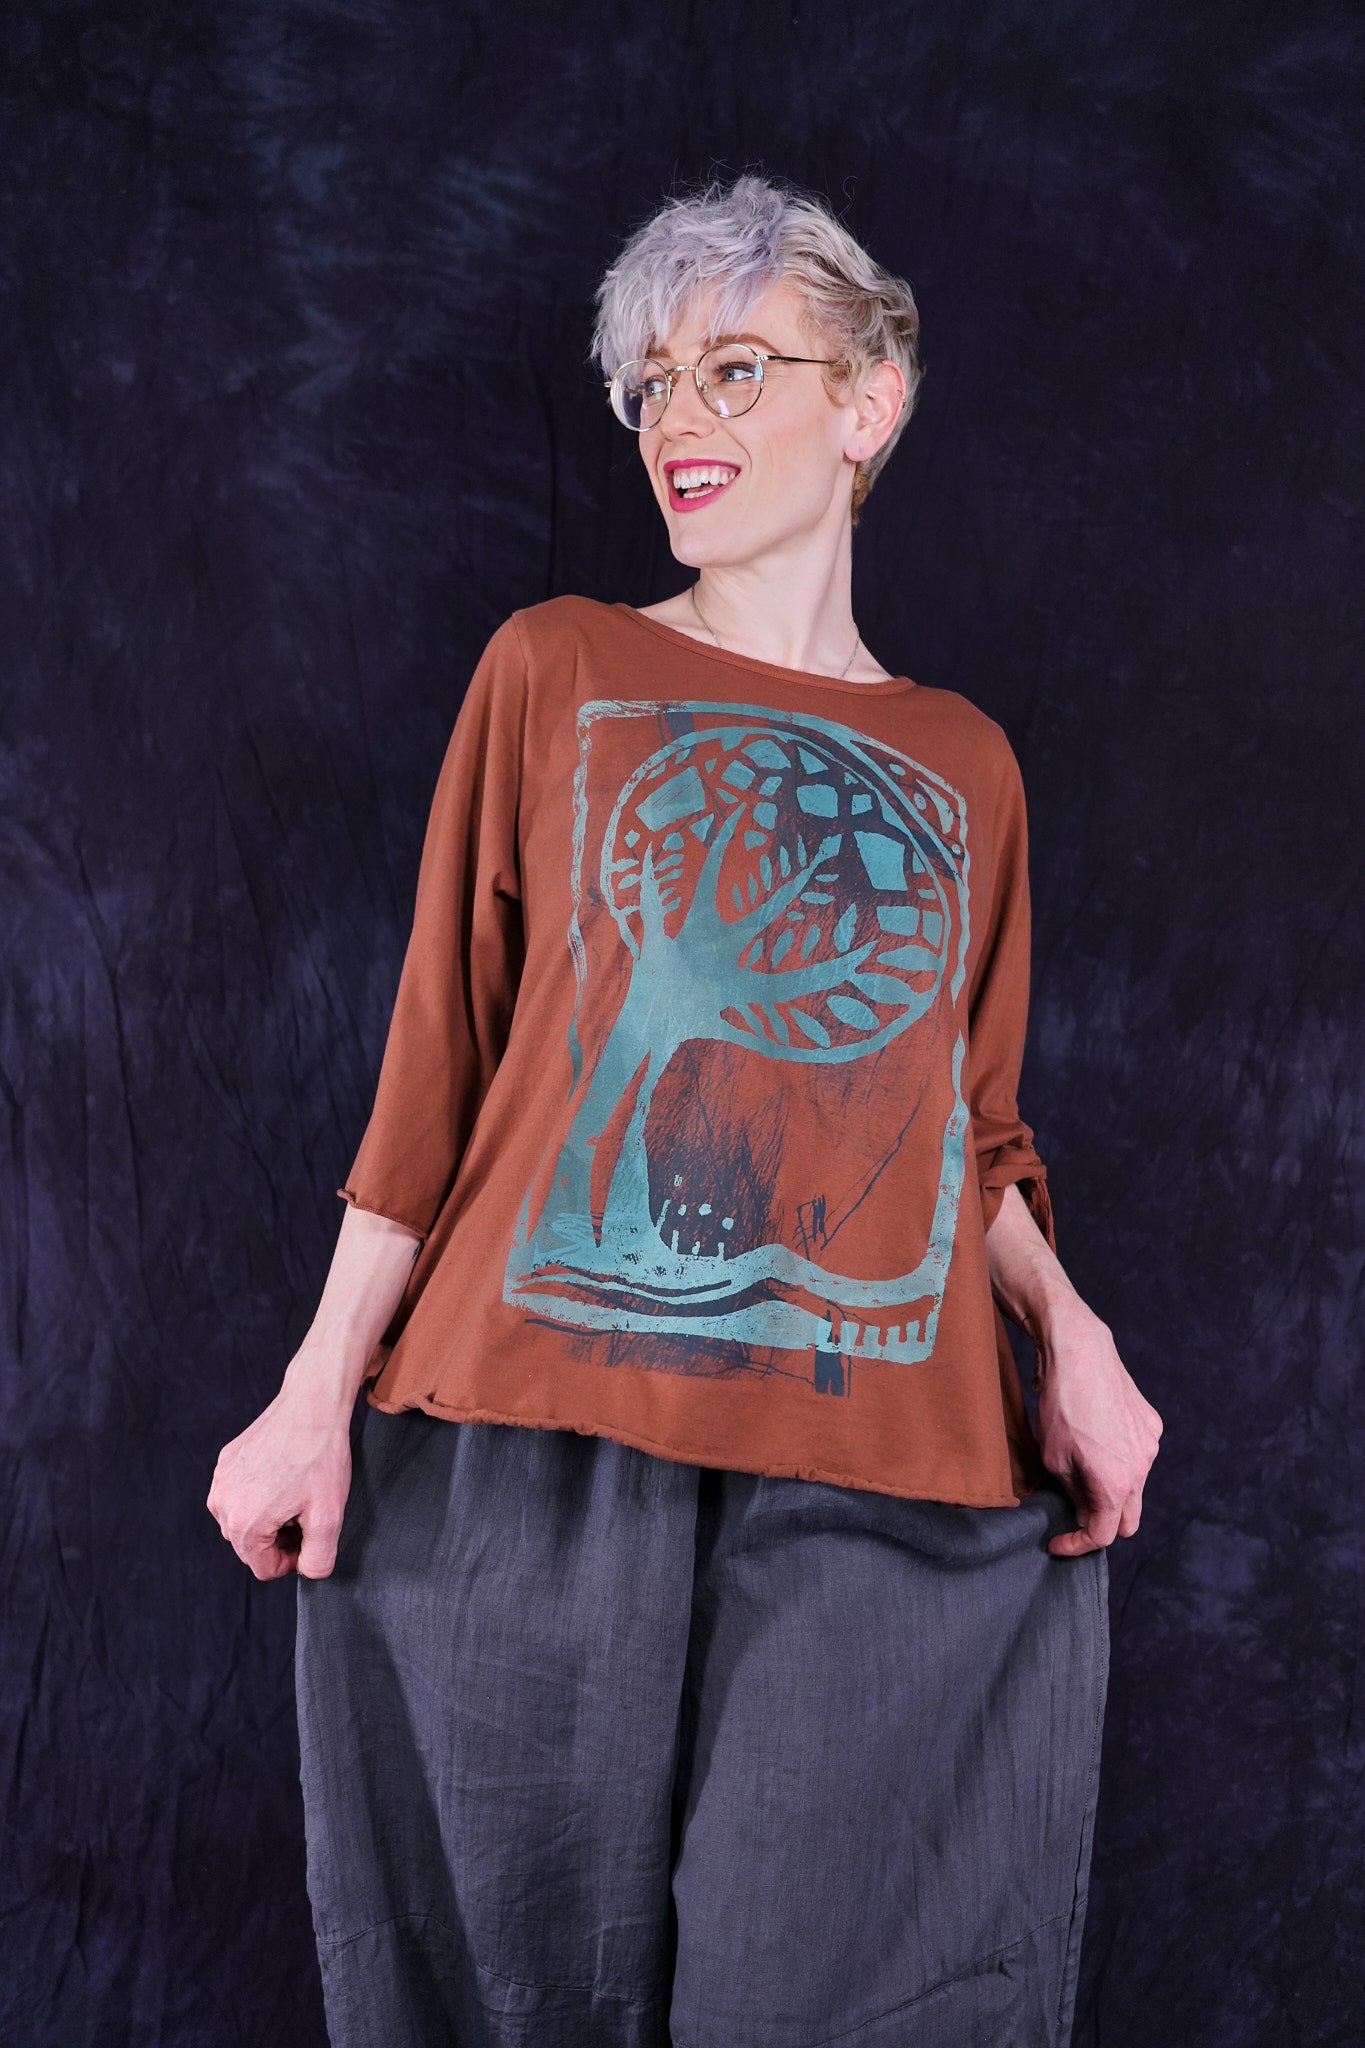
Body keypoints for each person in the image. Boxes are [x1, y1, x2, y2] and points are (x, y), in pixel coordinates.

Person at [208, 171, 1162, 2048]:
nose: (676, 420)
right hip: (526, 1450)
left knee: (844, 1995)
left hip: (875, 1475)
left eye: (734, 369)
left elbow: (962, 1127)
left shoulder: (962, 762)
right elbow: (442, 1060)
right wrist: (312, 1393)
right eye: (649, 383)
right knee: (504, 1996)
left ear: (868, 400)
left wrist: (1075, 1336)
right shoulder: (557, 662)